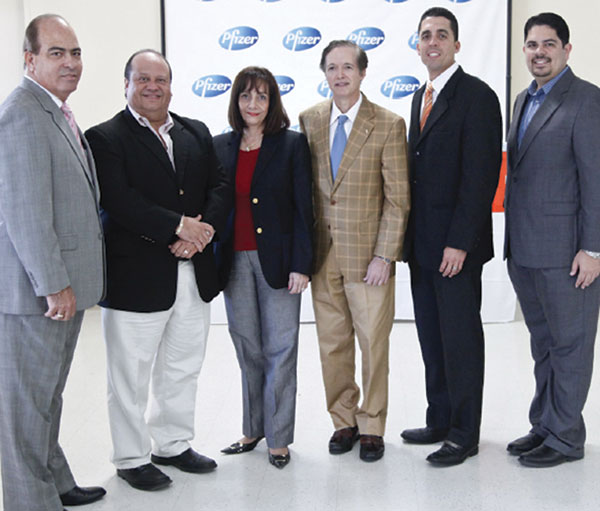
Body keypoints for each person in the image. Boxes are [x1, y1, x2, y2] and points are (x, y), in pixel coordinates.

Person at [85, 49, 230, 491]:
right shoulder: (105, 137)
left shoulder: (195, 131)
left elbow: (220, 187)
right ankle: (131, 456)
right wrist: (178, 226)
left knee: (182, 366)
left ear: (171, 84)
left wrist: (199, 233)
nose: (152, 87)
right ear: (126, 84)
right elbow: (120, 200)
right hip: (136, 277)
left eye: (160, 79)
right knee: (129, 375)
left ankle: (172, 443)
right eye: (142, 79)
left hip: (193, 273)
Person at [0, 14, 106, 510]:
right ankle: (30, 501)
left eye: (76, 52)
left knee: (48, 399)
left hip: (60, 291)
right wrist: (52, 284)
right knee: (26, 409)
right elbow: (25, 213)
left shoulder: (55, 110)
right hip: (36, 297)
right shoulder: (21, 113)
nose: (70, 63)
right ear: (30, 59)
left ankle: (56, 480)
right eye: (57, 53)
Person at [400, 7, 502, 467]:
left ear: (457, 44)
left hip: (455, 248)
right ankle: (439, 417)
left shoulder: (477, 96)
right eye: (425, 35)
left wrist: (459, 242)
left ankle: (464, 432)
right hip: (422, 247)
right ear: (418, 45)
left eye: (442, 34)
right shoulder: (419, 97)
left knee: (460, 340)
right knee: (431, 337)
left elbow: (481, 177)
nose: (433, 42)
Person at [299, 40, 409, 462]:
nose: (340, 74)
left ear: (363, 73)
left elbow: (398, 199)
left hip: (369, 261)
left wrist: (385, 255)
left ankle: (372, 424)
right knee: (332, 345)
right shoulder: (309, 121)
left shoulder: (387, 123)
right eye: (332, 67)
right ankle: (343, 421)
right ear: (324, 73)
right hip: (323, 256)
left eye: (348, 67)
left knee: (373, 344)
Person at [504, 12, 600, 468]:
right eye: (532, 44)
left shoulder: (587, 100)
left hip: (568, 253)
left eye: (548, 44)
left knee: (571, 345)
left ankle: (565, 439)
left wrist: (593, 248)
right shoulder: (524, 99)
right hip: (525, 251)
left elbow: (596, 181)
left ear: (566, 49)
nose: (539, 52)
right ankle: (545, 425)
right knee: (543, 345)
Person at [213, 66, 313, 469]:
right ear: (236, 101)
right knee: (247, 347)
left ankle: (279, 437)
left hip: (279, 263)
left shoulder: (291, 145)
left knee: (281, 349)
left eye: (261, 96)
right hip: (233, 260)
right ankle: (253, 428)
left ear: (272, 102)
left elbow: (304, 208)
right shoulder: (220, 146)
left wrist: (302, 264)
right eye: (245, 96)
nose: (253, 104)